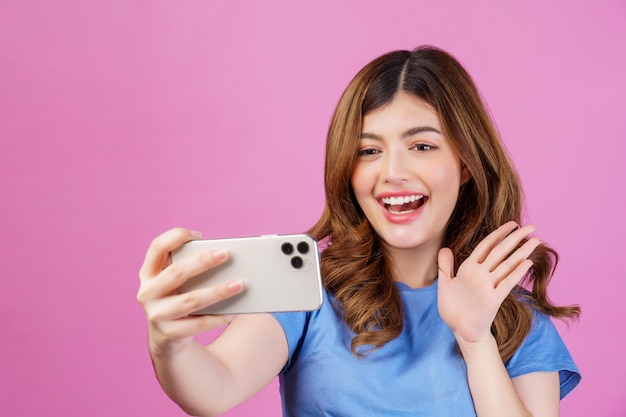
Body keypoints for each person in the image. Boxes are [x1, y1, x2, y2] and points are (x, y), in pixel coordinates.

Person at [137, 45, 581, 416]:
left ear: (464, 163)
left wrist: (475, 338)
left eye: (421, 146)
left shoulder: (514, 315)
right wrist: (169, 345)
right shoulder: (306, 290)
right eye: (368, 150)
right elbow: (214, 388)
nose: (391, 172)